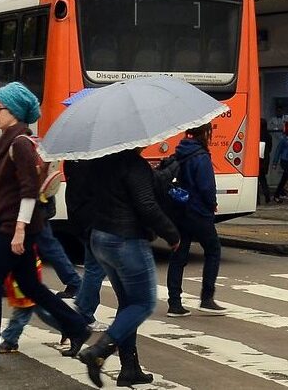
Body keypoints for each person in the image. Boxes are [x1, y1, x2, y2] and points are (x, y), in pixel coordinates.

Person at [0, 82, 91, 371]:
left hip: (14, 229)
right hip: (16, 227)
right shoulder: (11, 142)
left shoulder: (19, 144)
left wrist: (18, 230)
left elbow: (28, 191)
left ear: (14, 111)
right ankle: (77, 326)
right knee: (30, 285)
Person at [75, 148, 180, 388]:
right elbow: (147, 205)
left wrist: (163, 172)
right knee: (143, 303)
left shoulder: (101, 161)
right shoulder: (134, 165)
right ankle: (98, 351)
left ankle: (129, 369)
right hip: (125, 240)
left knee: (128, 304)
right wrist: (172, 234)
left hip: (100, 238)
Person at [166, 124, 226, 317]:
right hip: (198, 211)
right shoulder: (200, 156)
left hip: (179, 210)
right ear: (205, 134)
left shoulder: (180, 151)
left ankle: (174, 303)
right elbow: (206, 186)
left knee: (178, 256)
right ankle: (207, 298)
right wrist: (212, 204)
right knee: (213, 250)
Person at [64, 159, 108, 332]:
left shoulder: (72, 161)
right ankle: (84, 312)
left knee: (93, 266)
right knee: (96, 268)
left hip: (80, 219)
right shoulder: (91, 165)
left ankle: (81, 309)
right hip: (92, 221)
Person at [258, 119, 273, 205]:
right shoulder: (268, 136)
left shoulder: (257, 135)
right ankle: (267, 196)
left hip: (258, 159)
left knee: (257, 180)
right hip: (265, 159)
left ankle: (257, 199)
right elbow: (270, 148)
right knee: (263, 179)